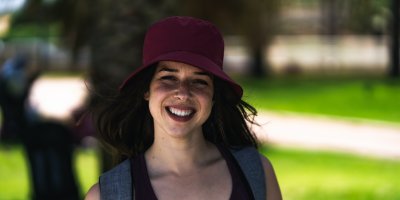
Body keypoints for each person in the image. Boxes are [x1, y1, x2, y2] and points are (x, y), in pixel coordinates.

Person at [85, 16, 282, 200]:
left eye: (199, 81)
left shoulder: (256, 173)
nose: (183, 93)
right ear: (146, 90)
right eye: (168, 78)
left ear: (214, 96)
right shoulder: (106, 195)